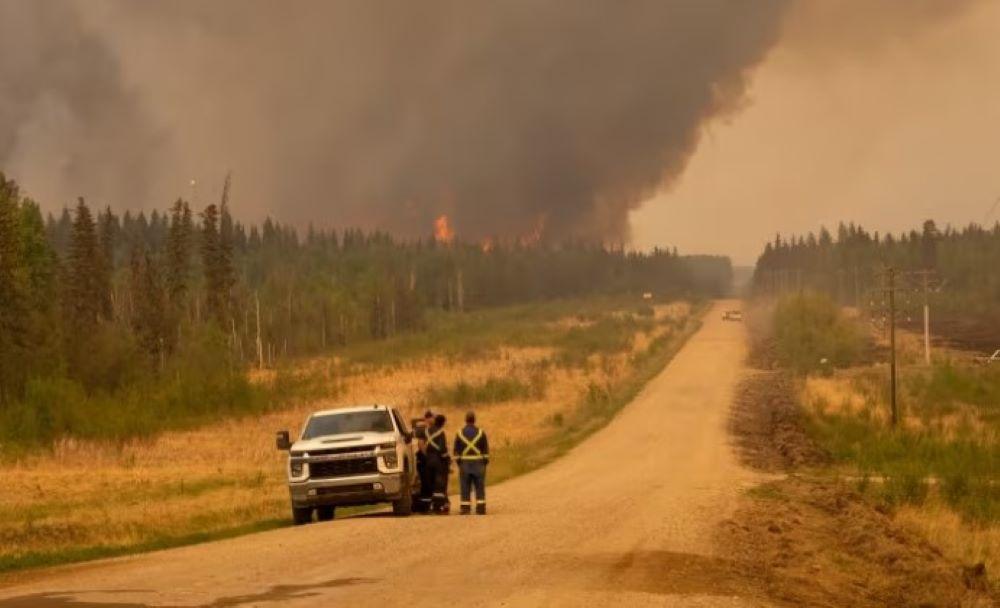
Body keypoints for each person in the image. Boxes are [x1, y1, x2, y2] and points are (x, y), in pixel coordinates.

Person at [454, 411, 489, 515]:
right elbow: (485, 450)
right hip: (479, 463)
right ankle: (481, 507)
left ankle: (465, 508)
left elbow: (456, 451)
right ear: (474, 420)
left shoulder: (459, 433)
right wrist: (484, 462)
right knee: (479, 485)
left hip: (464, 463)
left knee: (465, 485)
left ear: (466, 420)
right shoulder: (481, 433)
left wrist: (459, 462)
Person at [424, 413, 451, 514]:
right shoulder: (441, 432)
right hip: (438, 461)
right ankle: (438, 507)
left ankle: (432, 505)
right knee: (439, 485)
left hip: (428, 460)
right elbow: (442, 449)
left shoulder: (426, 431)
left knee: (431, 484)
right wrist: (447, 459)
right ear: (443, 423)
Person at [414, 410, 436, 513]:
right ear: (428, 418)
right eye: (433, 417)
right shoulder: (422, 429)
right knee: (426, 483)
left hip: (425, 459)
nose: (434, 419)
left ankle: (426, 506)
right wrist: (427, 456)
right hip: (423, 460)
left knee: (428, 483)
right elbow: (421, 444)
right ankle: (424, 507)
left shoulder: (429, 429)